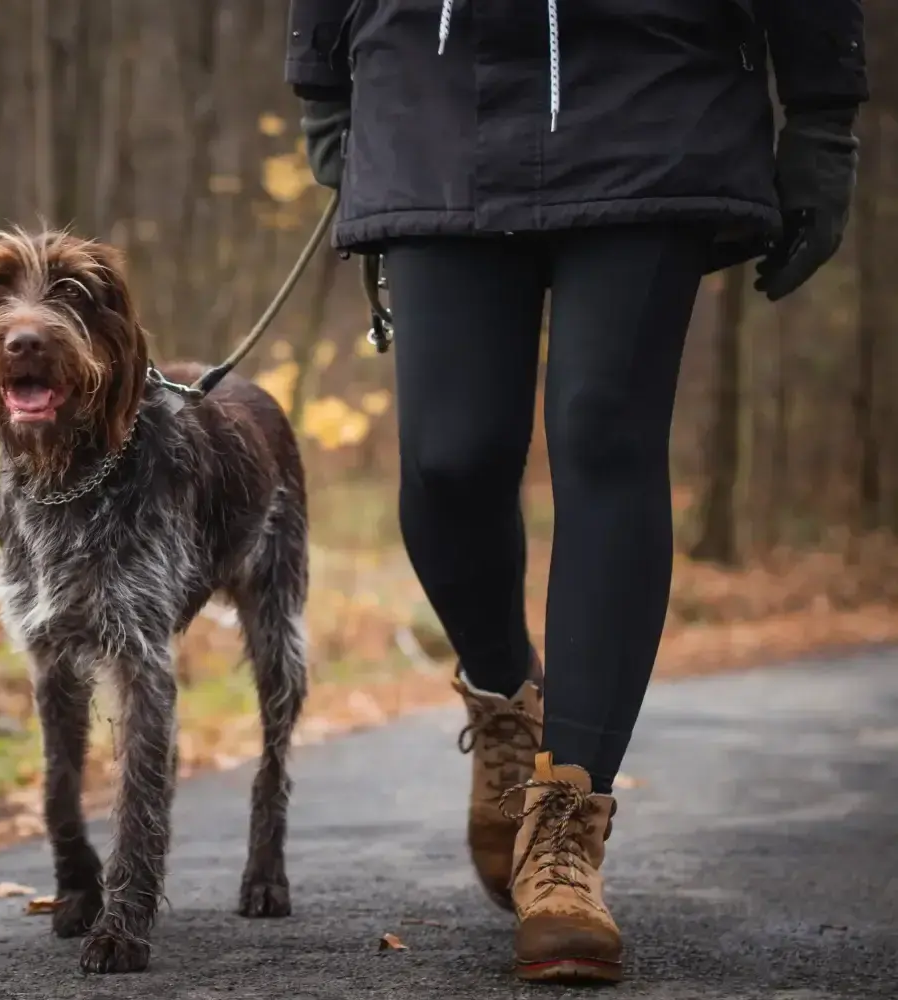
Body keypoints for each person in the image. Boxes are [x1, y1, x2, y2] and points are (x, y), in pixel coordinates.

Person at [286, 0, 867, 983]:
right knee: (450, 457)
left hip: (657, 73)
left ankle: (566, 824)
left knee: (606, 433)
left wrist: (823, 109)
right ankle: (510, 699)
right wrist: (321, 79)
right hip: (433, 80)